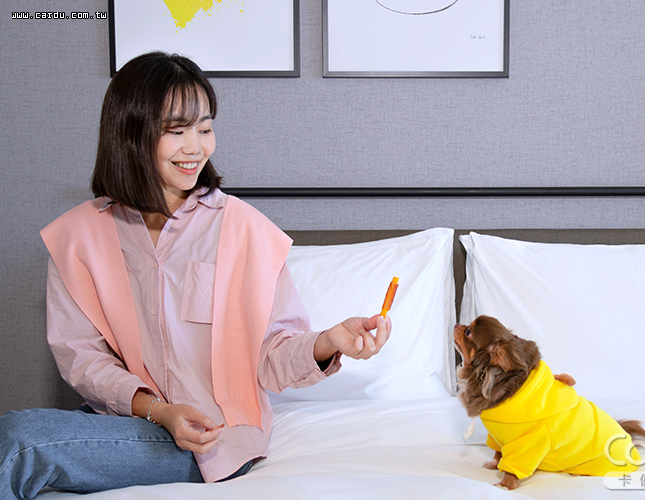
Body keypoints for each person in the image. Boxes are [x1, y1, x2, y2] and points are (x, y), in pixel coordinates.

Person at [0, 52, 391, 499]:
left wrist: (327, 341)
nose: (196, 148)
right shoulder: (76, 237)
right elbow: (83, 359)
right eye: (176, 131)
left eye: (204, 129)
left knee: (20, 441)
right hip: (127, 421)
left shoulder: (244, 230)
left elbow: (270, 356)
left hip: (210, 437)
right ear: (130, 133)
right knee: (16, 436)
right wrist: (156, 410)